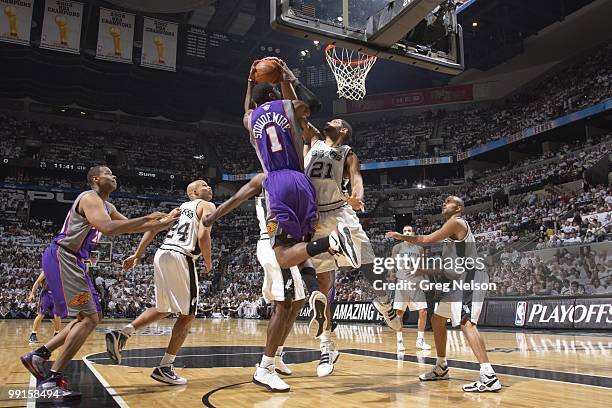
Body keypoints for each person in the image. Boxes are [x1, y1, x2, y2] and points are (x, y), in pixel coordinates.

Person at [20, 165, 179, 400]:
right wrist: (150, 218)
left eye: (113, 174)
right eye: (107, 173)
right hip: (64, 256)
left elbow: (134, 227)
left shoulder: (108, 206)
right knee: (90, 318)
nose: (113, 176)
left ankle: (40, 354)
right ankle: (51, 380)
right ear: (95, 179)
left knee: (90, 317)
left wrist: (166, 221)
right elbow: (108, 228)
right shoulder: (89, 197)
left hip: (73, 261)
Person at [202, 173, 356, 391]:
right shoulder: (272, 178)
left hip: (290, 242)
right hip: (274, 242)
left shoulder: (288, 180)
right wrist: (209, 219)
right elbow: (235, 199)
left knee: (297, 301)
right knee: (283, 304)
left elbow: (236, 199)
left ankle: (278, 353)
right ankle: (264, 368)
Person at [244, 59, 359, 340]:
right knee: (300, 250)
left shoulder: (250, 121)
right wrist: (285, 77)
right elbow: (297, 104)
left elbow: (247, 109)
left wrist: (250, 82)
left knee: (284, 255)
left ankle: (328, 243)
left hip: (278, 184)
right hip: (303, 184)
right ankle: (314, 293)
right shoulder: (290, 109)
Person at [303, 118, 401, 377]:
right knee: (324, 285)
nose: (329, 121)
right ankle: (327, 345)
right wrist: (285, 79)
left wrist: (358, 196)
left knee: (368, 261)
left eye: (335, 121)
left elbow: (356, 178)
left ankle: (383, 302)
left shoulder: (347, 153)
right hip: (314, 217)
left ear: (343, 130)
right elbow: (296, 111)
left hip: (340, 210)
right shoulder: (312, 140)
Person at [386, 196, 501, 392]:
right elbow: (447, 267)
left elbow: (426, 240)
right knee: (437, 319)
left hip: (471, 276)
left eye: (448, 201)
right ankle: (441, 366)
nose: (443, 203)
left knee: (466, 323)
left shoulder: (457, 222)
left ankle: (489, 376)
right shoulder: (451, 233)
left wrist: (401, 236)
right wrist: (425, 272)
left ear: (458, 207)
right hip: (459, 281)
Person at [105, 180, 215, 385]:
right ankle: (165, 366)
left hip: (162, 253)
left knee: (164, 307)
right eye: (203, 185)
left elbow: (153, 228)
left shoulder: (178, 210)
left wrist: (138, 254)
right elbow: (203, 234)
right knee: (188, 315)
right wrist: (208, 261)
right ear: (193, 192)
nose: (209, 187)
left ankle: (123, 333)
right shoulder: (205, 205)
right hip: (182, 255)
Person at [390, 225, 431, 352]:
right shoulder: (397, 247)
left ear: (413, 233)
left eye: (409, 231)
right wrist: (391, 274)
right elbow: (392, 263)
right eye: (404, 231)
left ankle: (420, 340)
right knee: (399, 313)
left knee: (423, 311)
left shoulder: (419, 249)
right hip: (402, 283)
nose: (406, 232)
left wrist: (426, 280)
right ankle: (400, 341)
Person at [27, 271, 61, 344]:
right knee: (41, 314)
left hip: (56, 295)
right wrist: (32, 293)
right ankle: (33, 335)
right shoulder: (46, 270)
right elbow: (38, 281)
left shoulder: (62, 270)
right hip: (46, 295)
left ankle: (57, 334)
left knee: (57, 315)